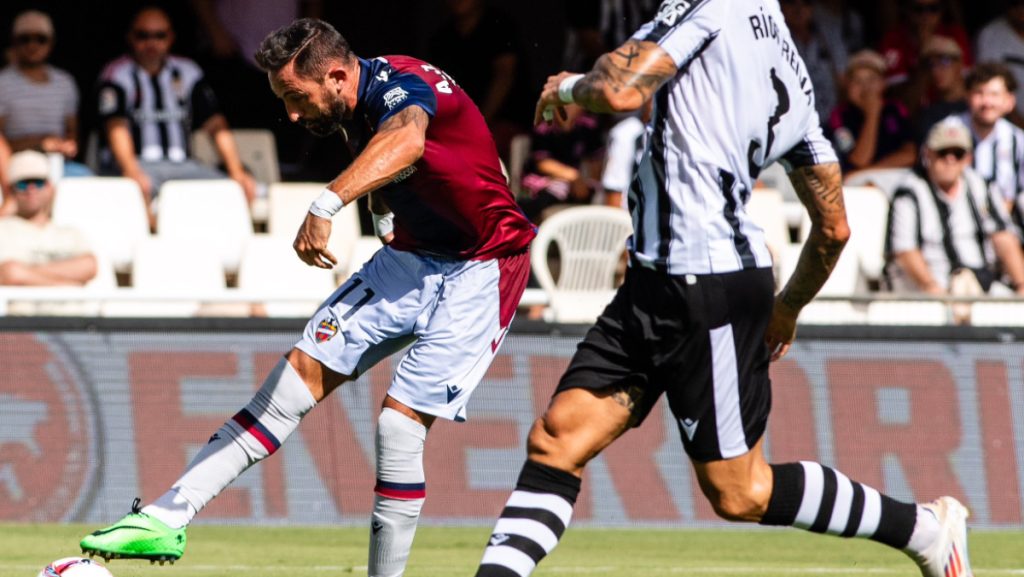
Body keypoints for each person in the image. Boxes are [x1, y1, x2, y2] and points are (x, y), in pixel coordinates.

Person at [473, 2, 971, 577]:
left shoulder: (708, 7)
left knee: (742, 492)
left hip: (704, 286)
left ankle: (926, 531)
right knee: (558, 439)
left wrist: (569, 87)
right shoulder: (791, 66)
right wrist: (787, 308)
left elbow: (619, 91)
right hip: (657, 280)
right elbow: (833, 227)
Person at [80, 17, 536, 577]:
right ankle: (166, 515)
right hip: (412, 257)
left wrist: (327, 203)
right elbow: (408, 162)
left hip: (484, 267)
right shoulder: (353, 105)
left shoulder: (405, 86)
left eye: (297, 97)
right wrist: (383, 207)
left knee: (398, 427)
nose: (293, 115)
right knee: (290, 382)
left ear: (339, 75)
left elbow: (409, 137)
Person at [95, 6, 256, 218]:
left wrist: (236, 170)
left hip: (183, 166)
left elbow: (215, 124)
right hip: (140, 165)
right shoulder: (117, 74)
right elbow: (116, 127)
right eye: (143, 35)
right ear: (130, 37)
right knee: (134, 193)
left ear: (171, 37)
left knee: (232, 191)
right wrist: (131, 170)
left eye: (159, 35)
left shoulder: (188, 71)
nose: (151, 43)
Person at [885, 116, 1024, 302]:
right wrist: (931, 288)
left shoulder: (981, 187)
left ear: (968, 158)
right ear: (927, 154)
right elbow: (905, 250)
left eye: (957, 153)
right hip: (929, 287)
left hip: (982, 284)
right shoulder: (909, 192)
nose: (950, 160)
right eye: (942, 152)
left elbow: (1003, 237)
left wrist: (1021, 284)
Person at [426, 0, 533, 160]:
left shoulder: (499, 27)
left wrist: (479, 124)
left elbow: (504, 75)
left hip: (502, 122)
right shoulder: (442, 38)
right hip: (455, 127)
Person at [0, 10, 91, 178]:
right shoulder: (3, 83)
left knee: (87, 181)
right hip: (15, 166)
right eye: (24, 39)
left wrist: (66, 146)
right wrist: (39, 144)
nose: (32, 45)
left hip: (59, 165)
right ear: (14, 42)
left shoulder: (65, 83)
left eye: (40, 39)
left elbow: (72, 133)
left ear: (51, 43)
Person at [0, 150, 97, 289]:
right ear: (10, 190)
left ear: (50, 187)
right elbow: (9, 274)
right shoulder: (3, 229)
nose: (31, 189)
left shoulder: (70, 232)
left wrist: (26, 273)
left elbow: (90, 266)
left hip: (75, 310)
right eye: (23, 183)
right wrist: (70, 285)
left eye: (38, 182)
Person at [827, 49, 915, 175]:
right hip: (857, 185)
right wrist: (872, 114)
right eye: (857, 81)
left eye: (871, 79)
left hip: (893, 175)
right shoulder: (839, 116)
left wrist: (869, 171)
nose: (865, 87)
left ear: (883, 83)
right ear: (848, 86)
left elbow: (910, 155)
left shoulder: (896, 109)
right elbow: (859, 160)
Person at [517, 110, 605, 223]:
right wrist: (574, 176)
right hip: (542, 183)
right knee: (541, 200)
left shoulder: (588, 125)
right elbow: (542, 163)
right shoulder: (544, 126)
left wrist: (588, 182)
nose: (568, 106)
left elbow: (596, 160)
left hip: (574, 185)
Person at [957, 63, 1024, 211]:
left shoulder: (1018, 141)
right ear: (967, 96)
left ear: (1010, 101)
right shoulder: (948, 133)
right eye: (979, 93)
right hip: (957, 224)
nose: (987, 102)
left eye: (994, 94)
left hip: (1006, 225)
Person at [879, 0, 971, 89]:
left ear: (942, 10)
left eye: (933, 8)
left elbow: (966, 85)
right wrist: (924, 52)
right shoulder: (894, 39)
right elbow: (897, 98)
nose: (926, 15)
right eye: (918, 9)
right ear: (907, 10)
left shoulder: (954, 34)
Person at [780, 0, 846, 123]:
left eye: (805, 3)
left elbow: (844, 81)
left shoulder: (828, 38)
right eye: (791, 2)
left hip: (833, 121)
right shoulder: (776, 40)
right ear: (781, 6)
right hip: (794, 124)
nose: (798, 9)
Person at [976, 0, 1024, 120]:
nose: (1021, 9)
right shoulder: (990, 35)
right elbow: (986, 85)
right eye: (1016, 3)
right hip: (1006, 122)